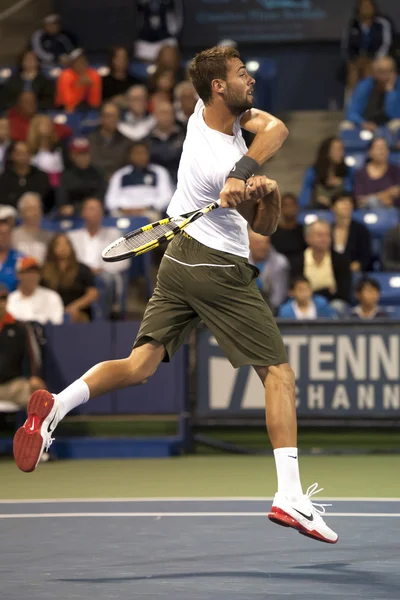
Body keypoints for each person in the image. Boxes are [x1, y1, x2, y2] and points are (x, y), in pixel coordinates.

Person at [12, 45, 338, 546]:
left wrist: (256, 184)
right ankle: (290, 495)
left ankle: (57, 403)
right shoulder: (220, 159)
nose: (249, 78)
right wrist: (246, 186)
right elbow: (266, 230)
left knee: (140, 364)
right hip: (217, 267)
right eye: (239, 74)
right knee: (278, 373)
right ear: (217, 88)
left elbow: (278, 130)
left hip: (178, 259)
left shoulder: (203, 117)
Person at [68, 198, 130, 318]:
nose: (94, 213)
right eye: (91, 209)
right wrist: (86, 270)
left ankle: (104, 319)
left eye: (97, 209)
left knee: (105, 279)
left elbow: (124, 261)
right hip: (79, 275)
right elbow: (68, 260)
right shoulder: (72, 236)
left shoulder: (114, 234)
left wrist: (102, 268)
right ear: (83, 213)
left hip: (104, 273)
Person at [0, 283, 45, 412]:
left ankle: (35, 431)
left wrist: (35, 376)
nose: (0, 303)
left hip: (13, 385)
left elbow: (33, 355)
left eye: (3, 298)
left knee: (38, 396)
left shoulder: (21, 327)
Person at [291, 219, 352, 311]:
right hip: (304, 303)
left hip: (332, 304)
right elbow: (296, 290)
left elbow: (343, 293)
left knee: (338, 306)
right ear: (308, 238)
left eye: (327, 235)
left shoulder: (341, 260)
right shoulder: (297, 261)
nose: (324, 239)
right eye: (319, 235)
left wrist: (312, 292)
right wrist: (327, 291)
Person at [105, 141, 174, 216]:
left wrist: (149, 207)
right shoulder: (120, 174)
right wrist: (124, 209)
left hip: (149, 211)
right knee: (115, 215)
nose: (140, 156)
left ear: (148, 154)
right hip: (125, 212)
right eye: (136, 153)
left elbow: (166, 196)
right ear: (130, 156)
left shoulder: (159, 171)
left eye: (143, 153)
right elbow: (110, 200)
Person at [41, 233, 98, 323]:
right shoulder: (43, 271)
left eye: (66, 244)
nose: (62, 248)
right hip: (50, 312)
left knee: (75, 317)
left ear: (71, 247)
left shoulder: (82, 269)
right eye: (58, 244)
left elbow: (93, 294)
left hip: (77, 312)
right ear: (51, 248)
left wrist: (75, 306)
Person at [342, 0, 393, 92]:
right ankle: (354, 103)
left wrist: (374, 58)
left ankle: (368, 102)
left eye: (368, 6)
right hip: (358, 60)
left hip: (377, 59)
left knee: (369, 69)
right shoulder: (353, 25)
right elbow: (346, 46)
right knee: (353, 70)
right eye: (363, 6)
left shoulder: (382, 23)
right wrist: (353, 59)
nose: (366, 9)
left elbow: (386, 44)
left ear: (373, 8)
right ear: (359, 9)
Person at [343, 56, 400, 132]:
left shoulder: (398, 86)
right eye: (381, 71)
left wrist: (390, 92)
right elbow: (351, 112)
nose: (386, 75)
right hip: (365, 122)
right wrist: (363, 122)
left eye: (389, 71)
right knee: (346, 125)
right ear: (375, 73)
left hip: (389, 124)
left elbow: (394, 114)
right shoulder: (364, 85)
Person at [7, 257, 64, 325]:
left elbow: (57, 324)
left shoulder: (52, 297)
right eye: (28, 272)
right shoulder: (9, 300)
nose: (33, 276)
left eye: (36, 272)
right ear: (18, 275)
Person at [299, 137, 353, 208]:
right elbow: (304, 199)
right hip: (318, 210)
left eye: (342, 149)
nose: (341, 153)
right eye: (337, 149)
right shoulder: (313, 172)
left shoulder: (348, 172)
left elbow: (349, 195)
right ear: (327, 151)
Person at [57, 138, 106, 216]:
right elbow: (62, 203)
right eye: (79, 154)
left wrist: (76, 208)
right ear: (72, 155)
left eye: (85, 153)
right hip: (72, 217)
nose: (83, 157)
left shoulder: (98, 174)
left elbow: (100, 199)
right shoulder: (65, 176)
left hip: (94, 214)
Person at [0, 141, 53, 213]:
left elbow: (48, 201)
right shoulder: (3, 179)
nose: (24, 156)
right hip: (11, 218)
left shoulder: (41, 177)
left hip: (37, 217)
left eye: (27, 153)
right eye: (20, 153)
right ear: (11, 155)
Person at [88, 103, 132, 180]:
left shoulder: (127, 142)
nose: (112, 120)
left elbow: (127, 167)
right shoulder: (90, 141)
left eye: (115, 116)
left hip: (119, 183)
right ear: (101, 118)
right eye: (108, 116)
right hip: (94, 183)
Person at [249, 231, 290, 312]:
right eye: (257, 243)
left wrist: (266, 311)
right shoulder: (242, 262)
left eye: (265, 242)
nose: (262, 246)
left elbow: (279, 295)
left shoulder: (280, 263)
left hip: (272, 309)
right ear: (248, 244)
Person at [331, 192, 372, 271]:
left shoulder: (361, 230)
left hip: (354, 273)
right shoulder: (327, 230)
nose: (346, 204)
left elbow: (366, 256)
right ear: (332, 207)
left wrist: (358, 265)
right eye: (341, 201)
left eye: (349, 202)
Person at [354, 137, 400, 207]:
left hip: (392, 211)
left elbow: (397, 192)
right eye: (378, 148)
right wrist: (385, 194)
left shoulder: (396, 170)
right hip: (368, 210)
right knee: (373, 202)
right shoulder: (361, 173)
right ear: (370, 152)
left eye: (384, 148)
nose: (382, 151)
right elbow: (359, 200)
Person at [148, 101, 185, 183]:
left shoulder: (184, 136)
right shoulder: (147, 140)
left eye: (168, 113)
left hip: (180, 180)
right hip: (156, 182)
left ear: (174, 116)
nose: (165, 117)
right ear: (155, 116)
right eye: (162, 113)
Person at [12, 193, 53, 264]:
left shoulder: (50, 237)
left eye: (37, 208)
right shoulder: (12, 236)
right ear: (22, 213)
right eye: (30, 209)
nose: (34, 213)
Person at [270, 193, 306, 269]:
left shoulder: (304, 231)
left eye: (293, 205)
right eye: (286, 205)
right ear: (280, 208)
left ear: (297, 207)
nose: (290, 208)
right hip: (278, 269)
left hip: (300, 268)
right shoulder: (273, 231)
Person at [27, 115, 64, 187]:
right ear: (35, 128)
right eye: (43, 124)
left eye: (49, 124)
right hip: (36, 184)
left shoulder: (59, 147)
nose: (47, 127)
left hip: (58, 186)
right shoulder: (29, 150)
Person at [0, 219, 25, 292]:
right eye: (0, 233)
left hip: (13, 301)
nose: (2, 237)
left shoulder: (21, 259)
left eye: (6, 233)